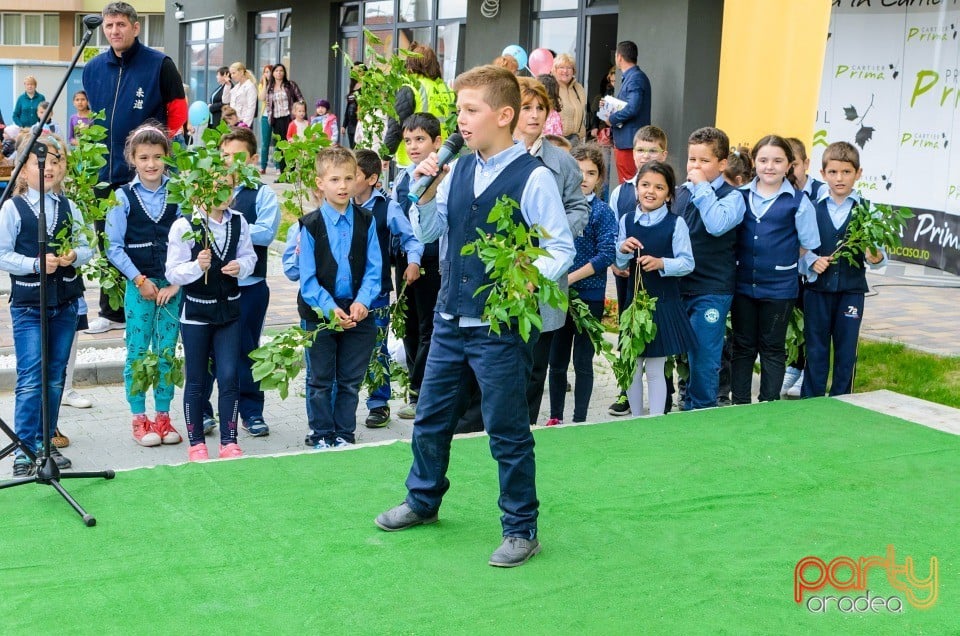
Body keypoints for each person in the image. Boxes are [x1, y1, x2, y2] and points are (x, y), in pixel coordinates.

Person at [374, 65, 575, 568]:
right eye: (458, 110)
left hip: (499, 327)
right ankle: (422, 500)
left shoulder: (534, 177)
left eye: (470, 110)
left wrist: (524, 280)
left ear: (504, 116)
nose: (459, 121)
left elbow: (560, 247)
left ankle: (521, 527)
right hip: (449, 319)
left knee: (506, 429)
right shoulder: (457, 169)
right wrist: (419, 194)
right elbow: (434, 230)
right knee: (432, 417)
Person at [82, 1, 187, 335]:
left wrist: (159, 152)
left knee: (148, 237)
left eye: (121, 25)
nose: (114, 31)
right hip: (104, 171)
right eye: (109, 25)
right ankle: (112, 311)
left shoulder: (159, 65)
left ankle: (159, 299)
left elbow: (178, 113)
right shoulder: (93, 67)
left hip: (147, 171)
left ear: (136, 27)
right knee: (108, 240)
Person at [0, 134, 90, 476]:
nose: (49, 167)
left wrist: (73, 256)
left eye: (56, 160)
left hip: (65, 303)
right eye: (41, 161)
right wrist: (35, 263)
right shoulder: (13, 208)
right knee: (30, 378)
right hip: (28, 306)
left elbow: (87, 246)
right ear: (23, 171)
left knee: (54, 376)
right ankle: (24, 449)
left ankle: (44, 442)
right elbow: (2, 254)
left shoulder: (70, 206)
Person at [165, 164, 257, 461]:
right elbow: (173, 273)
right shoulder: (185, 225)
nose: (223, 194)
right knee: (196, 379)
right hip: (196, 314)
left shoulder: (239, 222)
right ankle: (196, 443)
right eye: (215, 187)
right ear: (199, 188)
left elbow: (250, 256)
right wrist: (197, 267)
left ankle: (229, 440)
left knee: (229, 375)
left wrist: (241, 267)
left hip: (228, 311)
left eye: (228, 187)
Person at [514, 76, 589, 426]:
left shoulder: (562, 161)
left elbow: (579, 208)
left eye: (540, 108)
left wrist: (553, 233)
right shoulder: (491, 157)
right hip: (504, 271)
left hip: (546, 269)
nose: (533, 115)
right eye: (526, 107)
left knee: (536, 360)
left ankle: (527, 426)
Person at [199, 127, 280, 439]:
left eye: (238, 156)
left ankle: (251, 411)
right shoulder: (207, 191)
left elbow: (267, 232)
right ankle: (203, 411)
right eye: (224, 156)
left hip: (250, 287)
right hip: (212, 287)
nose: (230, 163)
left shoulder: (262, 194)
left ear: (254, 158)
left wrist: (230, 226)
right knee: (206, 350)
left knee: (248, 351)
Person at [105, 123, 183, 447]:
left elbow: (189, 241)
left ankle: (163, 416)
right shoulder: (122, 197)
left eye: (157, 157)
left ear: (166, 157)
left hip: (171, 287)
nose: (151, 164)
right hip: (140, 286)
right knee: (138, 352)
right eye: (144, 157)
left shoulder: (178, 193)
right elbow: (113, 246)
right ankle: (139, 418)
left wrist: (176, 283)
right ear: (133, 160)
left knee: (166, 351)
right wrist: (138, 279)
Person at [298, 146, 381, 449]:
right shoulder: (309, 226)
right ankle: (320, 433)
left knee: (349, 380)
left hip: (358, 311)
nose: (343, 186)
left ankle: (344, 433)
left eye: (348, 178)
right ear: (320, 183)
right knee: (320, 379)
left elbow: (375, 268)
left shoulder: (367, 220)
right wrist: (330, 309)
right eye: (334, 179)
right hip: (321, 314)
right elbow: (307, 279)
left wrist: (363, 301)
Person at [731, 135, 820, 405]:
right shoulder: (740, 195)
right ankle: (740, 402)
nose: (770, 166)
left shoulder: (798, 201)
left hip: (780, 287)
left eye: (778, 161)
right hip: (743, 284)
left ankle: (768, 402)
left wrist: (782, 258)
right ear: (754, 162)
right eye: (764, 160)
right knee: (743, 345)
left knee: (772, 347)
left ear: (789, 165)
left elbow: (808, 243)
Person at [669, 127, 746, 411]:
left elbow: (716, 225)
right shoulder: (679, 194)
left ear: (722, 164)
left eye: (704, 161)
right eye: (692, 160)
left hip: (712, 289)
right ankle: (685, 403)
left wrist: (702, 187)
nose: (695, 167)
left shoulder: (733, 197)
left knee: (704, 356)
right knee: (682, 353)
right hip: (679, 286)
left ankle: (701, 409)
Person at [801, 142, 885, 397]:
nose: (840, 178)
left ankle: (842, 400)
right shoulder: (811, 207)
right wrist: (812, 261)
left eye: (847, 172)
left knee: (846, 349)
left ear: (858, 173)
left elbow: (879, 257)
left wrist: (875, 255)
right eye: (833, 172)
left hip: (851, 290)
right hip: (817, 290)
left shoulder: (868, 211)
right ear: (823, 173)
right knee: (816, 348)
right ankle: (811, 400)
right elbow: (801, 248)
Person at [614, 161, 696, 416]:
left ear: (669, 194)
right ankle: (637, 419)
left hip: (662, 302)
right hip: (634, 305)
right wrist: (622, 250)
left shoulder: (676, 223)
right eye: (645, 185)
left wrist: (662, 263)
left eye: (659, 187)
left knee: (655, 367)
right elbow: (618, 263)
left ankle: (656, 420)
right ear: (636, 188)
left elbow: (687, 263)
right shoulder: (627, 220)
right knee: (633, 364)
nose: (651, 191)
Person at [546, 143, 617, 426]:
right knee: (557, 361)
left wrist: (570, 277)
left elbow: (606, 254)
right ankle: (555, 416)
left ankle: (580, 419)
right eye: (578, 171)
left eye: (591, 173)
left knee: (584, 360)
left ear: (599, 178)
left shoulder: (602, 212)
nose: (584, 178)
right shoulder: (556, 208)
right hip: (558, 296)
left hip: (589, 295)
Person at [353, 149, 423, 428]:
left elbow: (411, 239)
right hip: (342, 291)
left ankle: (379, 403)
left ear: (371, 178)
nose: (345, 183)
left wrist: (413, 262)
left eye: (353, 175)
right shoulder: (340, 206)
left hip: (376, 291)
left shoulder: (387, 207)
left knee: (376, 347)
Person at [606, 124, 669, 415]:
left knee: (659, 332)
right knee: (628, 328)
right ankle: (625, 389)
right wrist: (616, 261)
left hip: (659, 275)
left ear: (664, 154)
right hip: (627, 274)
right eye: (640, 150)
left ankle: (662, 393)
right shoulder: (621, 192)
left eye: (652, 150)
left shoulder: (670, 191)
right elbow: (613, 229)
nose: (645, 156)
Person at [391, 113, 443, 420]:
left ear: (437, 142)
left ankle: (419, 390)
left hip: (430, 259)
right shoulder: (403, 175)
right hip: (405, 259)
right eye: (408, 140)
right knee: (408, 324)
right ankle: (416, 380)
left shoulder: (442, 175)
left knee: (428, 327)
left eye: (420, 139)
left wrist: (417, 259)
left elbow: (429, 221)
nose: (413, 146)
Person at [781, 136, 826, 397]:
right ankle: (794, 365)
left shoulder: (820, 193)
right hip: (789, 270)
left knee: (811, 322)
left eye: (794, 164)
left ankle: (807, 368)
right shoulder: (776, 191)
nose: (789, 171)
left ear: (805, 163)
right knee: (791, 321)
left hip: (814, 269)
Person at [383, 43, 456, 169]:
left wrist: (386, 155)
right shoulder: (446, 90)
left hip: (413, 160)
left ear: (411, 63)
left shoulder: (410, 88)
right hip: (442, 157)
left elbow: (396, 126)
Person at [603, 41, 652, 184]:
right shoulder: (634, 77)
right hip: (628, 140)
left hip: (629, 142)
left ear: (619, 57)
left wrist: (611, 119)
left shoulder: (635, 78)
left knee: (629, 183)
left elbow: (632, 108)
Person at [266, 63, 304, 168]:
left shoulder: (290, 85)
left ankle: (291, 170)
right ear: (273, 73)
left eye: (281, 71)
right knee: (280, 145)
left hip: (289, 118)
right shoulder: (270, 88)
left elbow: (300, 99)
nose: (279, 73)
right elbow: (268, 105)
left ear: (284, 72)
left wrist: (298, 112)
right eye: (276, 71)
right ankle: (283, 172)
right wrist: (270, 119)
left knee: (290, 143)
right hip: (277, 119)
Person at [552, 53, 587, 145]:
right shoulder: (550, 87)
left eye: (569, 68)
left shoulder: (578, 88)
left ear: (573, 71)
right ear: (555, 70)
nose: (565, 71)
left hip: (576, 139)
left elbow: (583, 112)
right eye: (561, 67)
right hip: (556, 140)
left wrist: (580, 135)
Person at [228, 62, 258, 127]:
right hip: (233, 122)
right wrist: (227, 85)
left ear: (241, 72)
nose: (232, 76)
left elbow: (251, 107)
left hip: (243, 122)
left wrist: (245, 124)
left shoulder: (250, 86)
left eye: (234, 73)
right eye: (231, 74)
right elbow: (225, 100)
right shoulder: (236, 87)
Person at [256, 64, 274, 172]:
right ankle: (263, 166)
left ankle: (277, 167)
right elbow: (262, 97)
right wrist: (266, 83)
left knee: (277, 142)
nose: (268, 74)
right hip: (265, 116)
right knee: (265, 142)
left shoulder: (278, 85)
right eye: (266, 72)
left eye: (270, 71)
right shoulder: (262, 85)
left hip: (276, 116)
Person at [341, 71, 360, 150]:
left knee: (358, 147)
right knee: (352, 148)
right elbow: (348, 106)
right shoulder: (352, 85)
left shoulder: (366, 86)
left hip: (359, 122)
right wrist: (344, 125)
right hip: (350, 124)